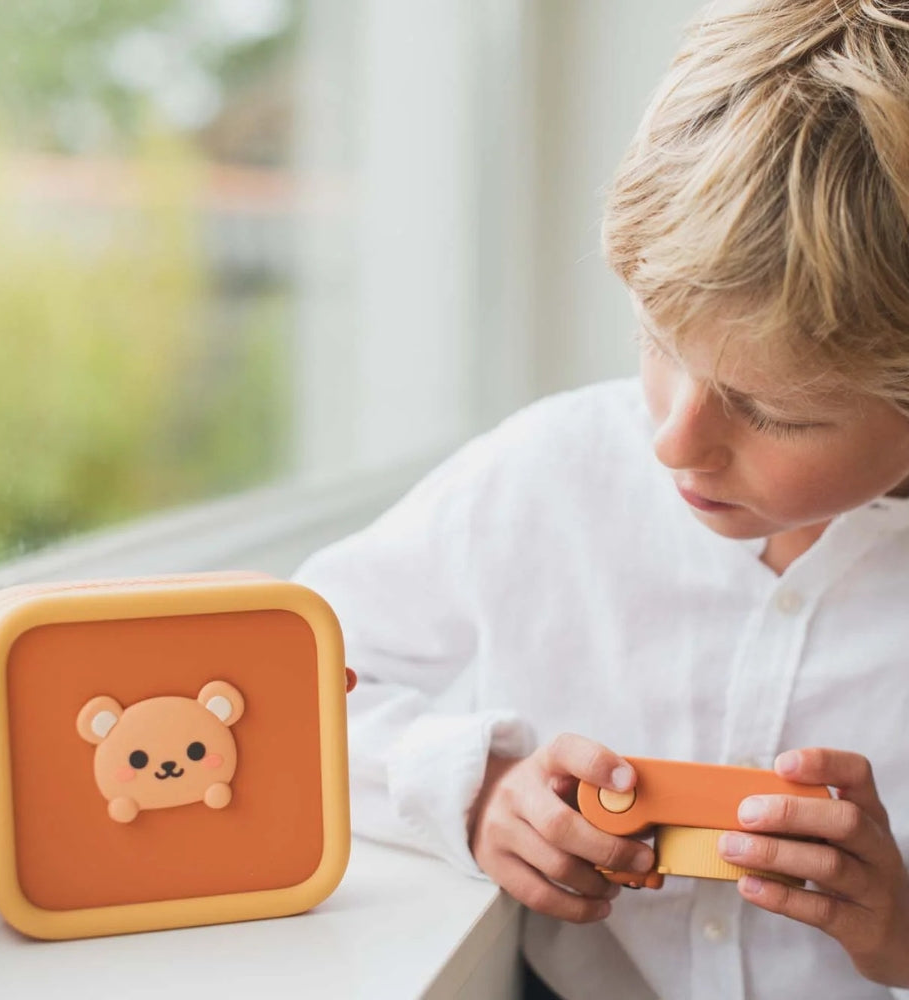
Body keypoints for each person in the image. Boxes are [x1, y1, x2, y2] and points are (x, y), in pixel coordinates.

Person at [293, 1, 909, 997]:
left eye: (772, 412)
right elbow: (285, 684)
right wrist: (474, 789)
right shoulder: (545, 476)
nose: (672, 441)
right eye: (657, 342)